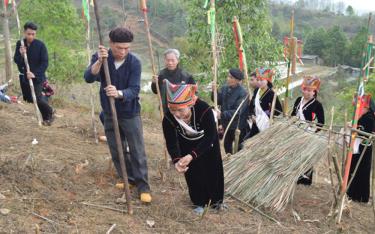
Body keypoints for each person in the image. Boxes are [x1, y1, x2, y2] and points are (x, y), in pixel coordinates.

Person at [84, 27, 151, 203]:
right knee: (116, 148)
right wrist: (99, 61)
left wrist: (119, 93)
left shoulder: (134, 62)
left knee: (137, 149)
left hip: (130, 113)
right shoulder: (101, 57)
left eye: (127, 48)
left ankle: (143, 185)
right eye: (119, 48)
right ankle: (128, 178)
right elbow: (89, 78)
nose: (123, 52)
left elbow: (134, 90)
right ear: (111, 44)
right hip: (108, 112)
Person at [162, 80, 224, 215]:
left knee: (213, 170)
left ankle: (216, 201)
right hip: (186, 144)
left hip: (208, 144)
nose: (177, 114)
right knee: (193, 173)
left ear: (189, 104)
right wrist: (177, 160)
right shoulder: (168, 118)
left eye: (180, 110)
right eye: (173, 110)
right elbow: (171, 142)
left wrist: (192, 155)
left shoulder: (204, 109)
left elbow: (210, 137)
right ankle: (199, 202)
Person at [13, 22, 54, 125]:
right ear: (24, 32)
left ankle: (49, 114)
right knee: (30, 99)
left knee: (37, 97)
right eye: (28, 34)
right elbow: (16, 60)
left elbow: (45, 63)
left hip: (38, 77)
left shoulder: (40, 45)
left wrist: (34, 74)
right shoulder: (20, 43)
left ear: (35, 34)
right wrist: (21, 55)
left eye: (33, 34)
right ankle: (46, 106)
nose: (30, 36)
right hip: (24, 77)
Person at [291, 76, 325, 185]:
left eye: (309, 90)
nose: (307, 92)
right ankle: (294, 175)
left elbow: (321, 122)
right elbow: (293, 114)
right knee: (295, 154)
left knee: (306, 156)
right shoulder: (298, 100)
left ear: (314, 92)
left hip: (308, 133)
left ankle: (305, 179)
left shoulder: (317, 105)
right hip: (296, 131)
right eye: (305, 89)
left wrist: (313, 132)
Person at [347, 94, 374, 203]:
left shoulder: (370, 118)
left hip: (364, 149)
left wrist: (355, 128)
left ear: (366, 107)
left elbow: (366, 133)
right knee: (353, 168)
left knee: (361, 171)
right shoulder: (361, 116)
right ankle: (351, 193)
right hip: (357, 147)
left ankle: (360, 196)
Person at [213, 68, 247, 154]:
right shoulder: (225, 88)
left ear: (237, 80)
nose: (228, 78)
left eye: (231, 77)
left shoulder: (243, 93)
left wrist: (222, 114)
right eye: (228, 76)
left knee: (239, 148)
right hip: (226, 125)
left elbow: (238, 111)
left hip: (237, 126)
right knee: (227, 146)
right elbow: (217, 100)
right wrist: (214, 91)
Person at [151, 48, 195, 113]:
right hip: (166, 110)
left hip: (182, 111)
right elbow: (155, 91)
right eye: (168, 60)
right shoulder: (160, 74)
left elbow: (194, 92)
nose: (170, 63)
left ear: (178, 60)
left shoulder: (186, 75)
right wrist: (154, 83)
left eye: (172, 60)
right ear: (165, 60)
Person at [246, 68, 283, 138]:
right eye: (258, 80)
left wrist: (263, 116)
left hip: (266, 124)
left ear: (267, 80)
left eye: (261, 80)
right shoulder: (257, 90)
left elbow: (278, 110)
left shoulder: (272, 94)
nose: (259, 82)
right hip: (255, 123)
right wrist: (252, 115)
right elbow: (251, 105)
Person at [238, 71, 257, 150]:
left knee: (244, 143)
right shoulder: (254, 92)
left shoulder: (267, 93)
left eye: (252, 80)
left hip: (259, 123)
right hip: (248, 122)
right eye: (250, 80)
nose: (250, 82)